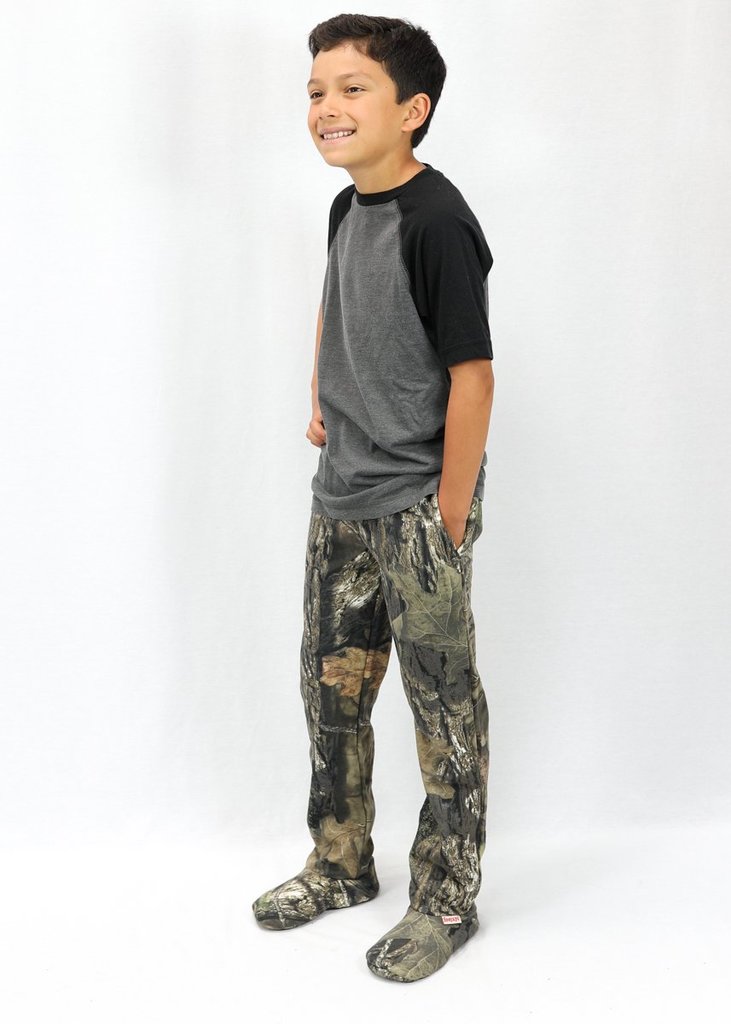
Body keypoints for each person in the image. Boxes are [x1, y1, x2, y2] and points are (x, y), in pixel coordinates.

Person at [252, 13, 496, 983]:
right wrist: (323, 390)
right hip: (340, 497)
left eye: (352, 88)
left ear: (412, 109)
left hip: (416, 507)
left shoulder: (437, 220)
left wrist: (447, 513)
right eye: (316, 90)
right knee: (332, 694)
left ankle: (445, 896)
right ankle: (340, 862)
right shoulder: (345, 208)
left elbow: (472, 376)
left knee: (442, 711)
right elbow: (336, 301)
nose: (326, 106)